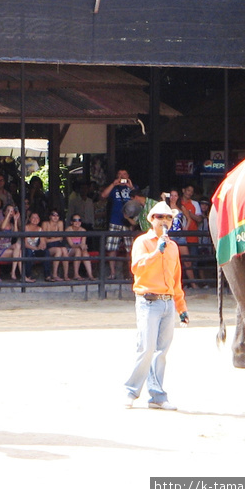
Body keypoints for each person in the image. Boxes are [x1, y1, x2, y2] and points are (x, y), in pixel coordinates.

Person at [124, 201, 189, 411]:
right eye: (160, 217)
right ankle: (131, 391)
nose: (165, 221)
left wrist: (181, 307)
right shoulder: (142, 242)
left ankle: (157, 396)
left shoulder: (173, 247)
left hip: (167, 303)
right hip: (148, 301)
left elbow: (176, 278)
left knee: (161, 352)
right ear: (151, 219)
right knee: (146, 348)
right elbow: (136, 268)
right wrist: (155, 254)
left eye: (168, 217)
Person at [100, 169, 134, 279]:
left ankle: (130, 273)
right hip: (115, 220)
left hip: (127, 222)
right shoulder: (114, 188)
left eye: (124, 174)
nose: (122, 176)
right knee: (111, 248)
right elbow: (103, 195)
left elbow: (138, 199)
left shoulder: (132, 187)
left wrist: (131, 187)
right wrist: (113, 184)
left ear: (128, 176)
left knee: (130, 249)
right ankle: (113, 273)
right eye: (119, 174)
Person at [65, 214, 94, 280]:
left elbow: (83, 243)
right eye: (75, 220)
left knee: (85, 253)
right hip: (69, 250)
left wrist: (84, 246)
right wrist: (80, 245)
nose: (77, 222)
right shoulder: (68, 230)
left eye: (79, 220)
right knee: (78, 250)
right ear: (71, 222)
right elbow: (71, 244)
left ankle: (90, 275)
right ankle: (76, 274)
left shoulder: (83, 230)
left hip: (79, 249)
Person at [42, 209, 67, 281]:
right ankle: (55, 274)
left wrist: (53, 238)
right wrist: (57, 238)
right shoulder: (45, 223)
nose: (55, 217)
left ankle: (65, 275)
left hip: (57, 244)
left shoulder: (60, 223)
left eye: (57, 215)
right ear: (50, 216)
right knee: (59, 250)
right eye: (53, 215)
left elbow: (61, 237)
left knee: (64, 250)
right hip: (48, 246)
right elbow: (45, 240)